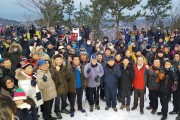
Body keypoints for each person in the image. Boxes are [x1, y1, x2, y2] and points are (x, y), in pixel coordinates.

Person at [50, 55, 69, 119]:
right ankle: (57, 111)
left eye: (60, 59)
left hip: (64, 86)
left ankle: (63, 108)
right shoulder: (52, 68)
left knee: (64, 99)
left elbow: (66, 77)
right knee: (57, 101)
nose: (59, 61)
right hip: (57, 87)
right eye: (57, 60)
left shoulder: (63, 67)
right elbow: (53, 79)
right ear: (54, 61)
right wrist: (56, 71)